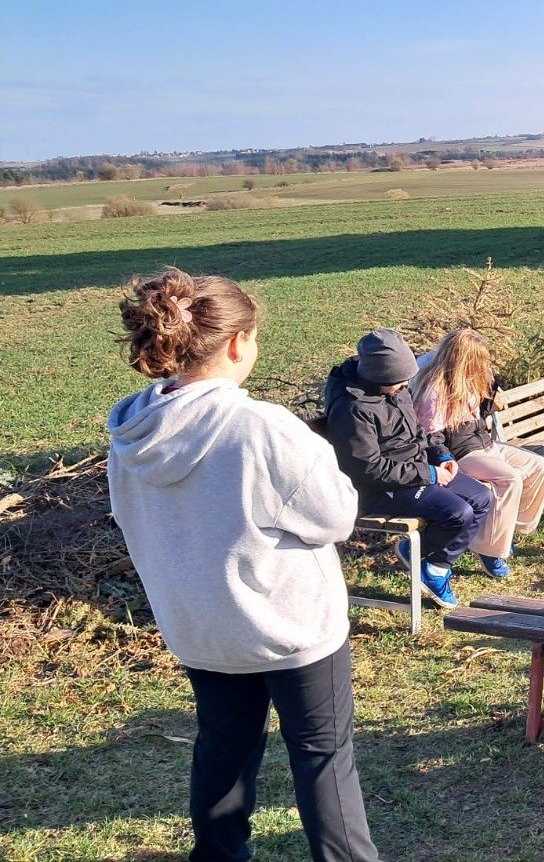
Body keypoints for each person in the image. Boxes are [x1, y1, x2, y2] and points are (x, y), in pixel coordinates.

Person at [107, 268, 379, 862]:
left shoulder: (131, 430)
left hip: (200, 626)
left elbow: (130, 517)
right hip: (291, 628)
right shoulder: (262, 426)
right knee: (323, 756)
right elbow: (336, 517)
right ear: (237, 343)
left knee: (222, 748)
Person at [324, 328, 492, 609]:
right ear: (379, 377)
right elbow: (369, 468)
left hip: (415, 470)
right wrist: (430, 474)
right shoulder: (352, 409)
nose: (405, 386)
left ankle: (434, 565)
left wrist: (441, 455)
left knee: (481, 497)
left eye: (405, 381)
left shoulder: (396, 391)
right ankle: (429, 563)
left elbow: (419, 432)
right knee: (458, 513)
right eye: (398, 382)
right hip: (379, 489)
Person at [413, 328, 544, 577]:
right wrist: (444, 457)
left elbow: (481, 417)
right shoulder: (436, 389)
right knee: (510, 478)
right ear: (464, 359)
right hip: (461, 452)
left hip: (485, 444)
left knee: (538, 465)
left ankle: (507, 530)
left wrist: (491, 395)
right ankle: (491, 550)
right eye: (479, 359)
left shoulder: (472, 379)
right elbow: (430, 434)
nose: (484, 364)